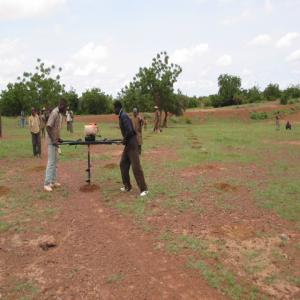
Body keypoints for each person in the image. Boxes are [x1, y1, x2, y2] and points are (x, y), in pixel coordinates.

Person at [114, 101, 149, 197]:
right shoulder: (122, 116)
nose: (114, 110)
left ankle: (144, 189)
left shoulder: (124, 116)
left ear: (118, 108)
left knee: (136, 167)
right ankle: (127, 186)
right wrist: (124, 140)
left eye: (114, 108)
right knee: (123, 164)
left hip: (132, 144)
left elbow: (130, 131)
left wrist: (124, 140)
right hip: (128, 144)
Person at [44, 99, 67, 192]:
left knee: (56, 161)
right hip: (51, 142)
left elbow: (55, 129)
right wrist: (53, 139)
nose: (65, 109)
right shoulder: (54, 113)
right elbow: (48, 127)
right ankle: (46, 183)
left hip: (55, 141)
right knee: (51, 162)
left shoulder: (59, 114)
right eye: (65, 107)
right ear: (61, 106)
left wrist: (58, 138)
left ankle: (53, 181)